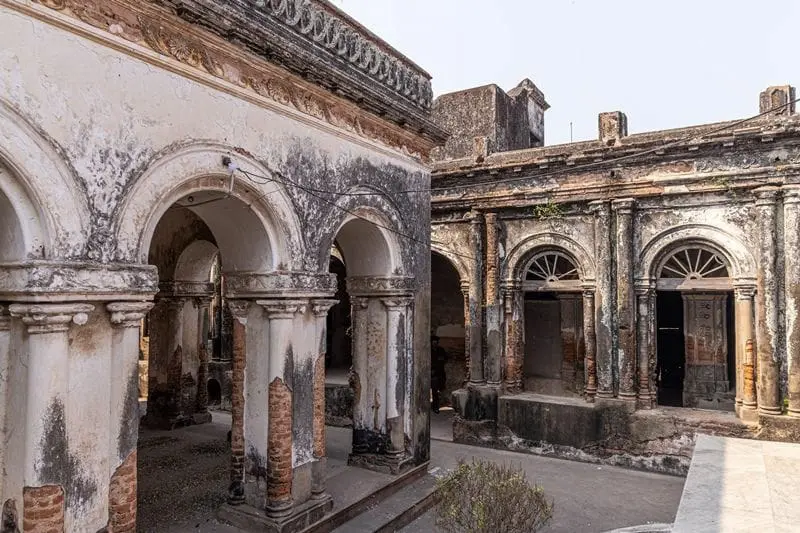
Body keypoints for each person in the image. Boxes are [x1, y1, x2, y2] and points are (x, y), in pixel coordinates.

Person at [431, 335, 448, 413]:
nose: (435, 344)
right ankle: (434, 406)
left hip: (439, 373)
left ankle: (436, 406)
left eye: (436, 342)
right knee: (433, 392)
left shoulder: (441, 350)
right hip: (431, 373)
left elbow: (445, 359)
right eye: (433, 342)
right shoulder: (429, 350)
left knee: (437, 391)